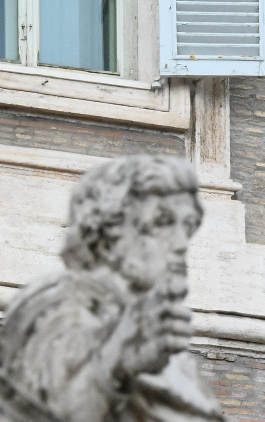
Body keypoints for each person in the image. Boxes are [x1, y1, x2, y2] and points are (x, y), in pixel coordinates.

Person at [0, 155, 225, 422]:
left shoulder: (149, 330)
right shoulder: (61, 307)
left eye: (187, 226)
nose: (181, 244)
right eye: (162, 223)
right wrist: (115, 367)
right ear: (108, 236)